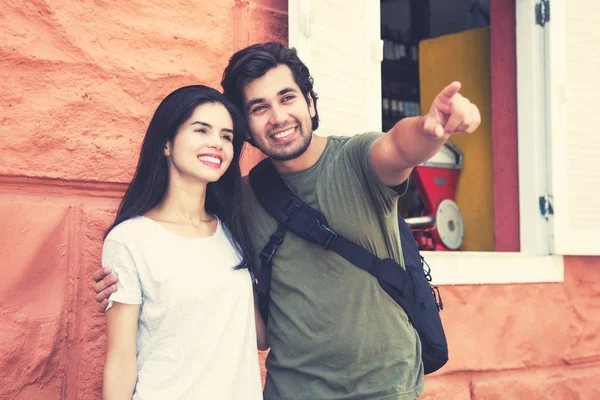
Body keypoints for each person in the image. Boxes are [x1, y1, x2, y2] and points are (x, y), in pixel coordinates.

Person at [94, 43, 481, 399]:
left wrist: (432, 129)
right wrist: (125, 284)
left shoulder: (356, 160)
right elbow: (177, 251)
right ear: (247, 127)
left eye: (287, 98)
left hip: (383, 388)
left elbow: (399, 145)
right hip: (290, 391)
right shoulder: (237, 200)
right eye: (259, 107)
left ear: (310, 103)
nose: (278, 117)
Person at [100, 85, 266, 400]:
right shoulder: (130, 239)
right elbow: (120, 362)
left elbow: (261, 335)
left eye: (227, 136)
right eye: (201, 130)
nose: (216, 143)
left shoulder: (234, 233)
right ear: (166, 143)